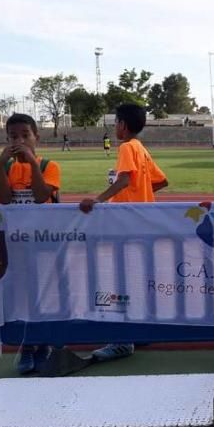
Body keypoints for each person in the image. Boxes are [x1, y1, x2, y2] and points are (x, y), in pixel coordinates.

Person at [79, 103, 169, 362]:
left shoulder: (127, 147)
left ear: (123, 125)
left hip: (124, 224)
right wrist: (142, 194)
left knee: (119, 277)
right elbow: (161, 180)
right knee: (135, 276)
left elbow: (124, 180)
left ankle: (122, 340)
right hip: (142, 221)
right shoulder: (141, 148)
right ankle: (138, 329)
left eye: (116, 122)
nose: (115, 126)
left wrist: (98, 200)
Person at [0, 113, 62, 373]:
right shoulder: (7, 167)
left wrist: (32, 163)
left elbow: (43, 197)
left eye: (25, 135)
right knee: (21, 294)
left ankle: (45, 343)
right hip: (16, 242)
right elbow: (4, 198)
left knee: (44, 293)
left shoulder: (48, 166)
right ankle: (27, 344)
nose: (19, 140)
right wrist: (0, 165)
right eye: (13, 136)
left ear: (36, 138)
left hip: (44, 243)